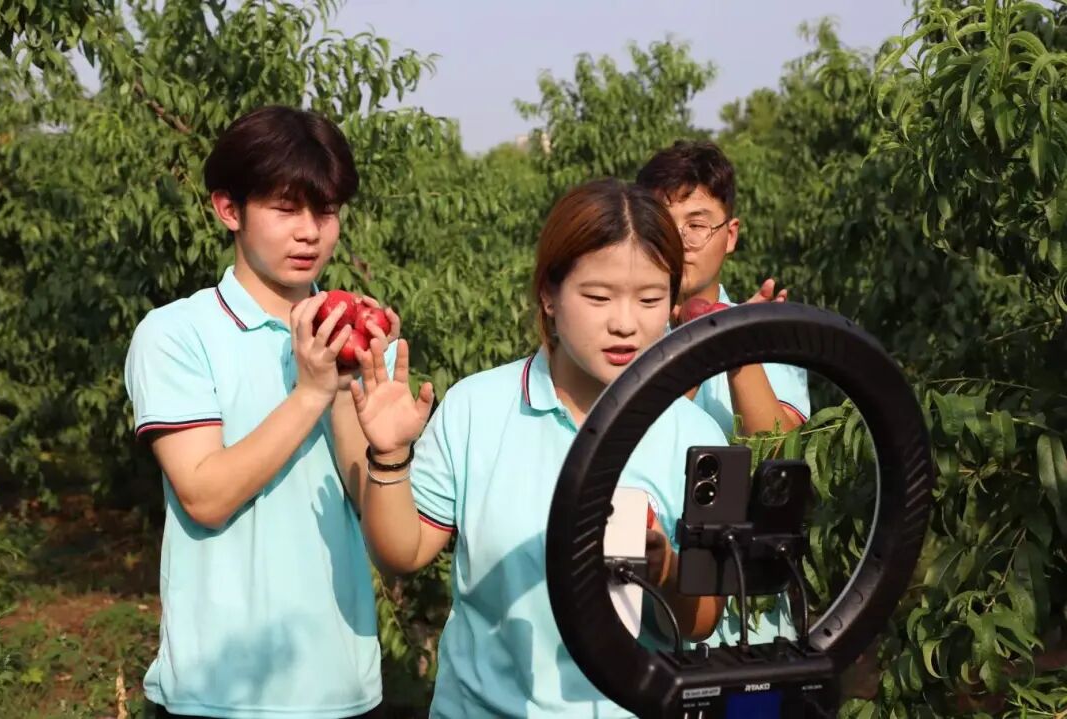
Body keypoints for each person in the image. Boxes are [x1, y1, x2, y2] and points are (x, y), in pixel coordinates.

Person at [348, 178, 765, 718]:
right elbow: (402, 553)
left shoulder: (695, 435)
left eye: (649, 299)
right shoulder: (478, 408)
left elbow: (703, 620)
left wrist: (663, 569)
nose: (625, 323)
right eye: (598, 297)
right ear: (549, 294)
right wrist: (388, 455)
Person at [124, 105, 396, 719]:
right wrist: (311, 393)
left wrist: (374, 419)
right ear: (229, 209)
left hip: (341, 686)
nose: (310, 233)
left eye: (325, 211)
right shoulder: (177, 334)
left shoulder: (353, 333)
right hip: (221, 690)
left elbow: (373, 509)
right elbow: (205, 495)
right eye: (285, 209)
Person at [636, 141, 811, 436]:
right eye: (662, 227)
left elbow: (777, 451)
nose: (678, 243)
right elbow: (630, 444)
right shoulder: (620, 331)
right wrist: (696, 346)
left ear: (730, 236)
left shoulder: (767, 331)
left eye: (696, 226)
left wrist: (738, 345)